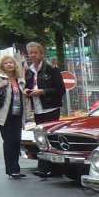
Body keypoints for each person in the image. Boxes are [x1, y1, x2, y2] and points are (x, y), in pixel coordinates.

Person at [24, 41, 66, 178]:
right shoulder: (29, 71)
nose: (33, 55)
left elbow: (60, 89)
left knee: (47, 136)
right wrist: (27, 91)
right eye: (31, 53)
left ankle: (43, 168)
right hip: (37, 108)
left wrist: (43, 91)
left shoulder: (51, 69)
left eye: (36, 53)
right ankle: (55, 169)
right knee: (41, 137)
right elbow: (28, 86)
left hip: (50, 107)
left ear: (42, 54)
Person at [0, 53, 29, 178]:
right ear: (2, 66)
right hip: (4, 115)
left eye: (11, 63)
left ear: (14, 65)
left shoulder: (19, 78)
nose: (9, 65)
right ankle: (12, 170)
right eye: (6, 63)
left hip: (17, 114)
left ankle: (15, 168)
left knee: (16, 141)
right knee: (9, 141)